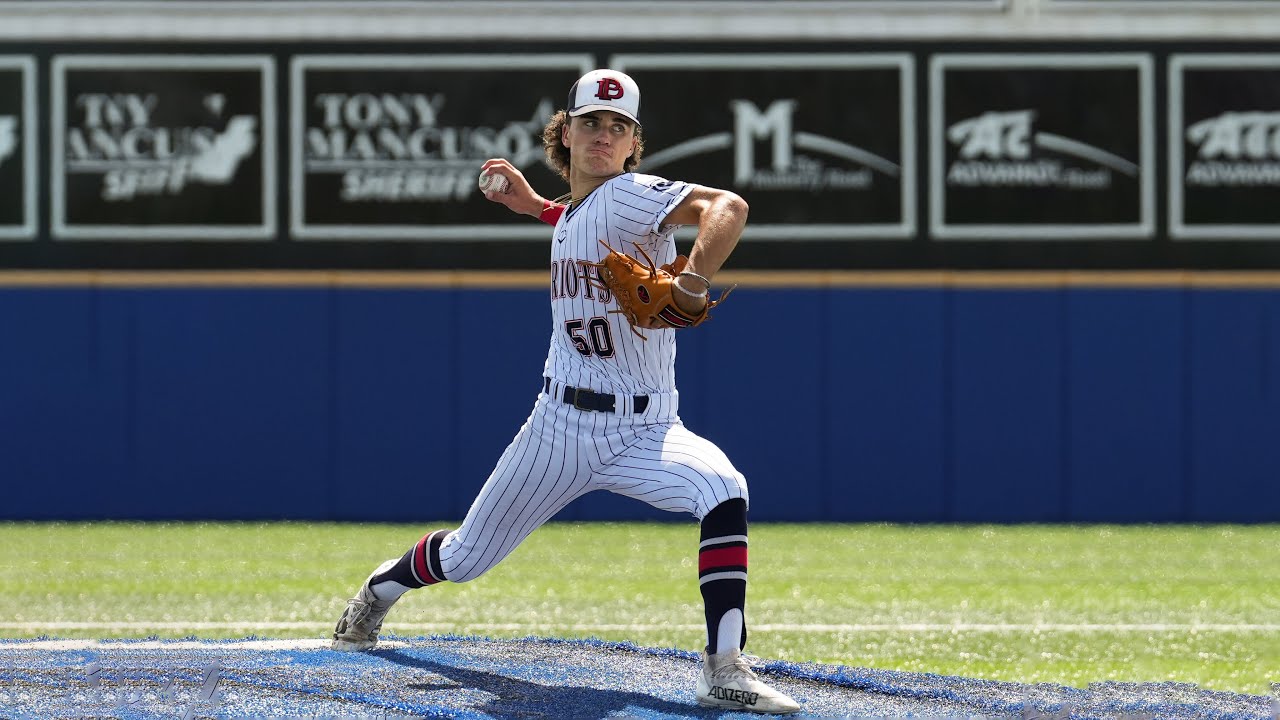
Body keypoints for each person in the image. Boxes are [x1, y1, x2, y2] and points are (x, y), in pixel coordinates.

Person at [331, 68, 800, 715]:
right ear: (566, 134)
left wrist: (693, 281)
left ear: (634, 144)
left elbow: (729, 208)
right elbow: (578, 219)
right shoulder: (580, 211)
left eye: (618, 127)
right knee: (467, 556)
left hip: (647, 429)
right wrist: (533, 207)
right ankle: (380, 591)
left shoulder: (634, 194)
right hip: (560, 428)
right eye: (591, 123)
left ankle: (724, 666)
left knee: (725, 489)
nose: (604, 136)